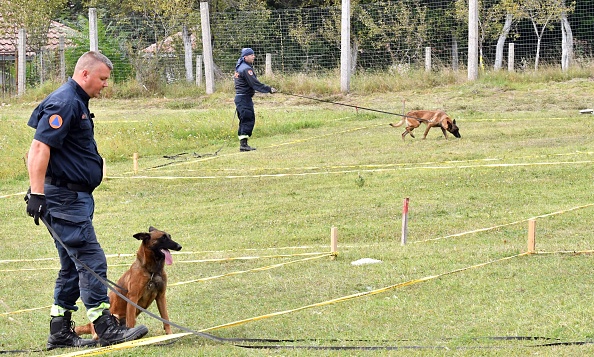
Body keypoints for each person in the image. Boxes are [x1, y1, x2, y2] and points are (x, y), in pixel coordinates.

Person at [25, 51, 148, 349]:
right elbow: (39, 148)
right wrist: (37, 193)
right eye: (102, 78)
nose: (106, 85)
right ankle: (106, 327)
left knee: (71, 264)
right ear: (85, 74)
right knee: (91, 260)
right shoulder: (65, 102)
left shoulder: (75, 102)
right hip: (64, 198)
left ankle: (60, 329)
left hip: (73, 196)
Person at [234, 47, 277, 152]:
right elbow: (255, 84)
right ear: (246, 57)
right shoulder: (246, 69)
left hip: (241, 98)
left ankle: (243, 144)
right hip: (244, 98)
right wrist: (269, 89)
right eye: (251, 55)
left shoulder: (240, 67)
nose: (254, 56)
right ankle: (243, 145)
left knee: (244, 119)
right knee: (248, 119)